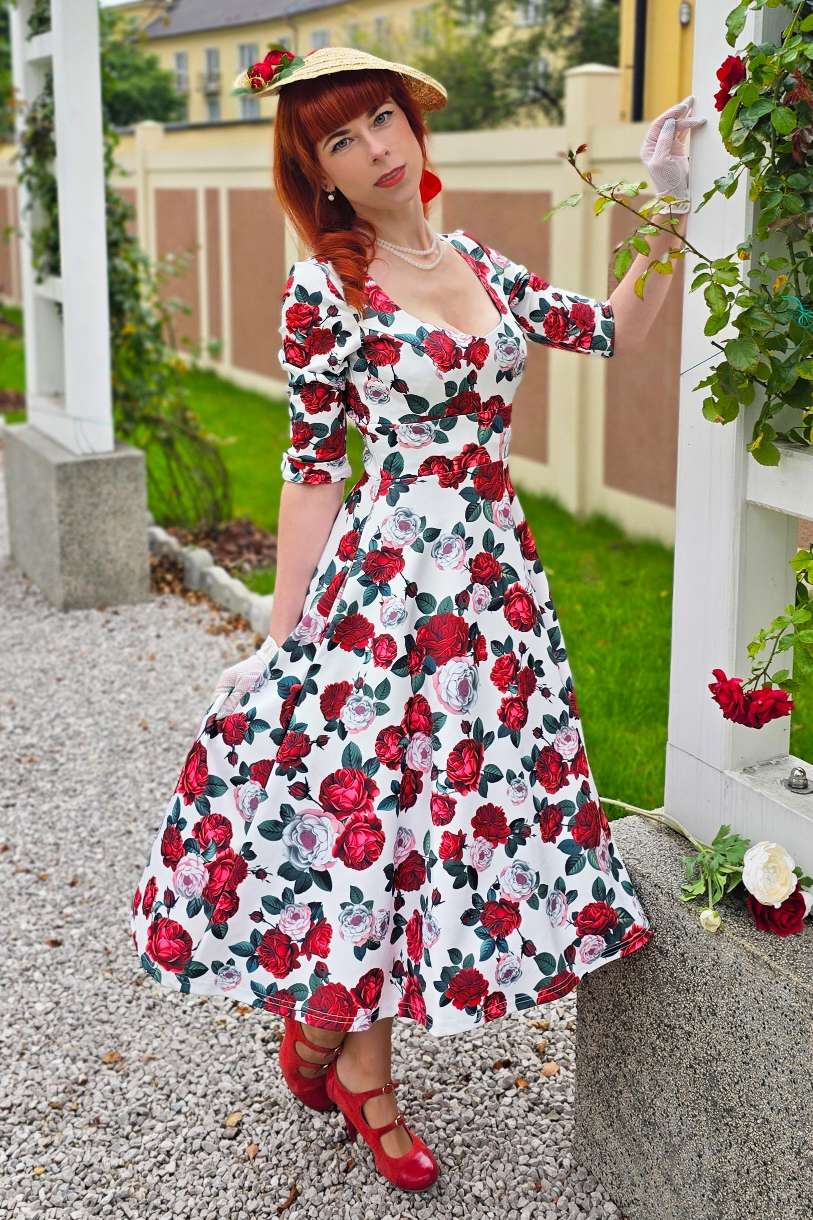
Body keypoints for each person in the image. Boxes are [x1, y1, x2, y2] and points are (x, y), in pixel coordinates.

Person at [129, 45, 704, 1193]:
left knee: (445, 818)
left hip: (493, 591)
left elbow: (614, 331)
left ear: (411, 123)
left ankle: (325, 1027)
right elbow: (309, 467)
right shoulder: (323, 289)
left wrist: (668, 197)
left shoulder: (476, 263)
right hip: (388, 594)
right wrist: (284, 637)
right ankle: (362, 1068)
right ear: (321, 178)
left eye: (382, 119)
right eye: (341, 140)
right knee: (378, 819)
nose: (376, 148)